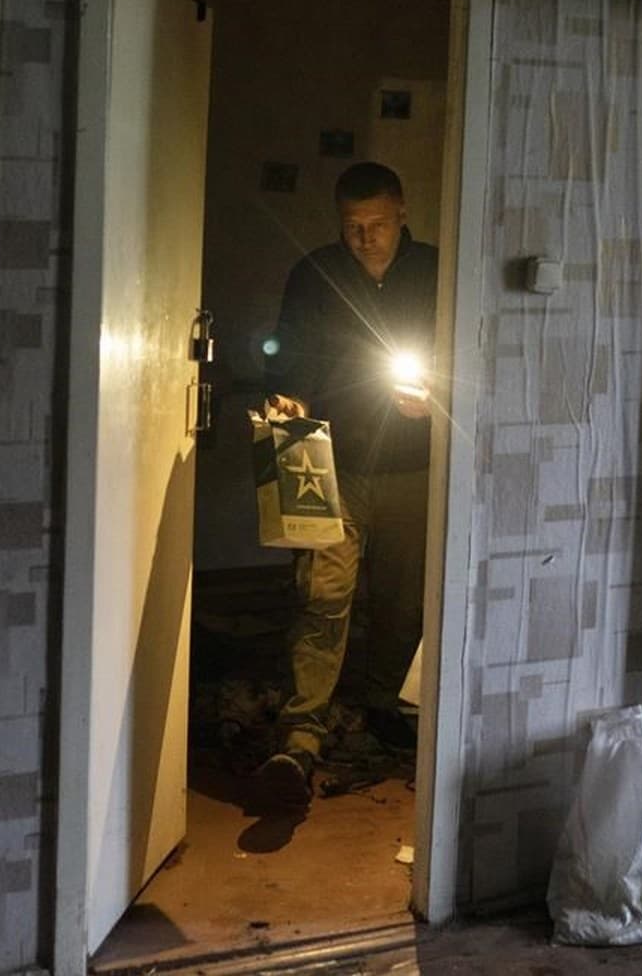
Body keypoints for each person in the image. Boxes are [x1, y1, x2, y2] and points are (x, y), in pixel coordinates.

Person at [256, 162, 437, 810]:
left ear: (403, 213)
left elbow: (474, 360)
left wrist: (435, 399)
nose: (365, 239)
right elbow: (284, 359)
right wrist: (285, 410)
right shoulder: (313, 276)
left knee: (400, 600)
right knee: (321, 595)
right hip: (329, 462)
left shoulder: (440, 275)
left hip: (417, 468)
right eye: (353, 227)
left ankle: (383, 701)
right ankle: (301, 735)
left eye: (378, 226)